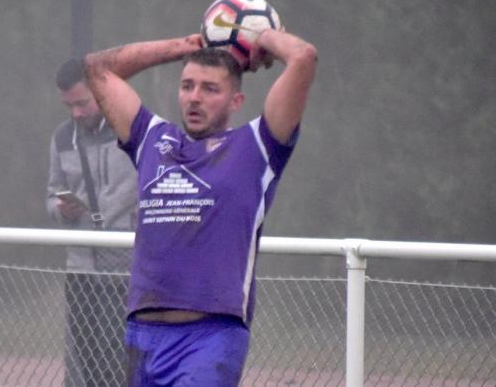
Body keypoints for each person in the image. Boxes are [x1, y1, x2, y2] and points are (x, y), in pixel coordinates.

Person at [83, 28, 317, 386]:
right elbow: (97, 69)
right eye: (187, 85)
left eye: (210, 89)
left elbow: (303, 58)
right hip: (142, 334)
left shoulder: (256, 146)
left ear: (235, 101)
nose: (195, 97)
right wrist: (180, 47)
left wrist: (262, 38)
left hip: (210, 338)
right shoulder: (152, 139)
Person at [46, 59, 138, 387]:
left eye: (82, 103)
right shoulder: (60, 138)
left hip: (127, 267)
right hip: (80, 267)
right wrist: (62, 210)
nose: (75, 113)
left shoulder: (134, 129)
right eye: (68, 105)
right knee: (87, 362)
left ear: (100, 92)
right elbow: (51, 195)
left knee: (120, 361)